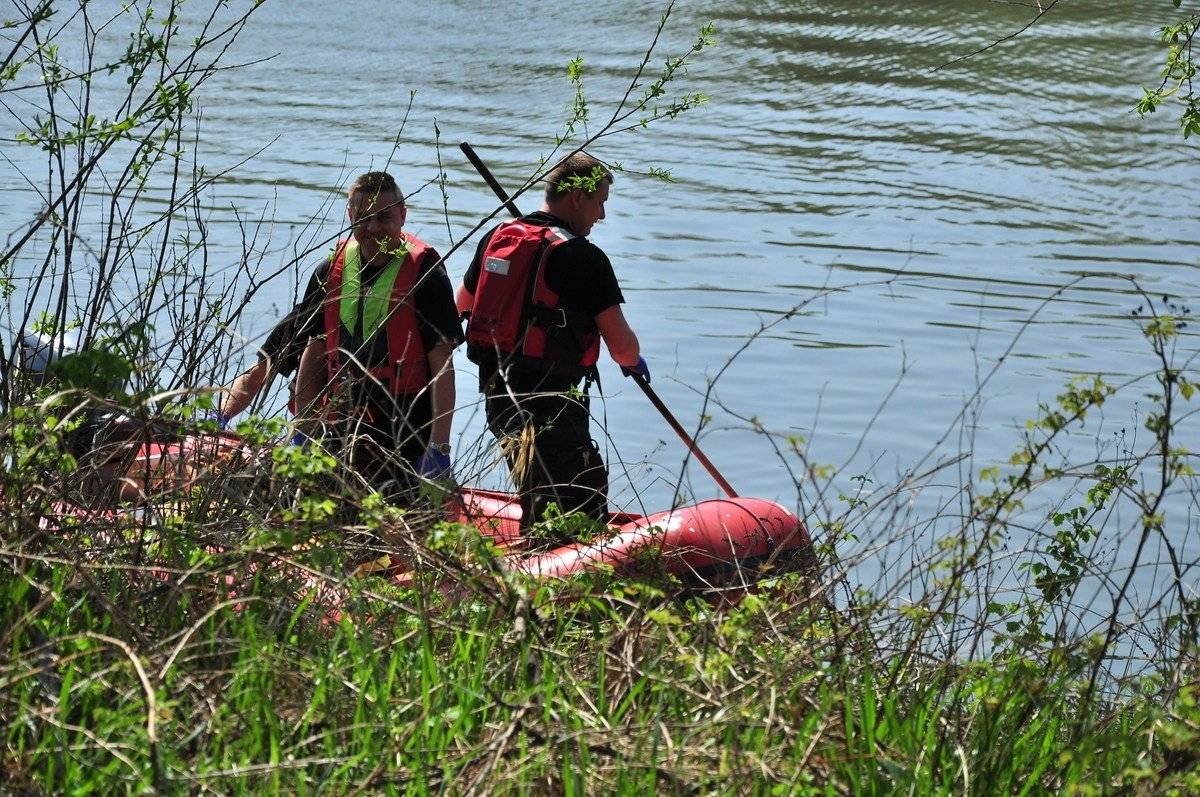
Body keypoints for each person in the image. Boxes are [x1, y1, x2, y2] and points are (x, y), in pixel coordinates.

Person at [221, 171, 463, 495]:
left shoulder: (425, 275)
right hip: (341, 422)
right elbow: (281, 354)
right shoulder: (330, 272)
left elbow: (442, 366)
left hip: (405, 429)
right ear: (350, 216)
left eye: (384, 217)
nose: (373, 228)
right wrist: (222, 416)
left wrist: (439, 448)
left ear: (403, 215)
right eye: (363, 218)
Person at [456, 152, 648, 535]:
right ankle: (556, 580)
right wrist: (633, 361)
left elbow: (461, 305)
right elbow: (622, 346)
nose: (602, 216)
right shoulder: (583, 256)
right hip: (553, 402)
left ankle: (532, 568)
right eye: (600, 203)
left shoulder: (500, 238)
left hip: (499, 399)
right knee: (578, 501)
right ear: (577, 198)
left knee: (536, 488)